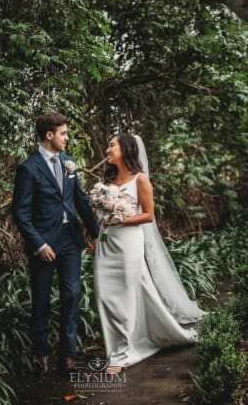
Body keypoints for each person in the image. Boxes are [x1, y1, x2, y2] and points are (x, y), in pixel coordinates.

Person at [94, 134, 204, 375]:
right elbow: (101, 215)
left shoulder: (140, 180)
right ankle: (135, 339)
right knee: (104, 296)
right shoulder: (107, 182)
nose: (107, 149)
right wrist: (102, 220)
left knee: (124, 297)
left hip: (128, 245)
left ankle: (121, 354)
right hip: (106, 245)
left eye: (112, 145)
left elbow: (148, 215)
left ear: (127, 149)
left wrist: (121, 218)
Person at [12, 112, 100, 375]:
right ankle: (41, 353)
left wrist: (95, 232)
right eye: (63, 133)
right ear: (49, 135)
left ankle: (68, 354)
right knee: (41, 300)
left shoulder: (69, 163)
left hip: (70, 240)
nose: (67, 137)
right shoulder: (28, 168)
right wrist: (39, 244)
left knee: (71, 295)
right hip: (44, 246)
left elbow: (81, 201)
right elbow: (20, 212)